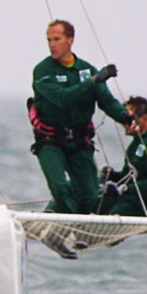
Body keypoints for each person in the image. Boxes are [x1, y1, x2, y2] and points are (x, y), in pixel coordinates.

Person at [29, 19, 130, 214]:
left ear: (70, 40)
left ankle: (96, 211)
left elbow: (107, 101)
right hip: (51, 141)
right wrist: (94, 81)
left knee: (90, 196)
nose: (52, 44)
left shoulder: (87, 70)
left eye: (57, 39)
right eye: (49, 40)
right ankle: (66, 220)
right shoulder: (43, 71)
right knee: (60, 188)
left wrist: (125, 118)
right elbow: (61, 98)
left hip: (79, 141)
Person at [97, 96, 147, 217]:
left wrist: (126, 189)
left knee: (109, 218)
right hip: (131, 200)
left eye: (128, 118)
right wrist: (113, 176)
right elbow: (131, 176)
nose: (124, 122)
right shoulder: (136, 143)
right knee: (92, 204)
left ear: (144, 118)